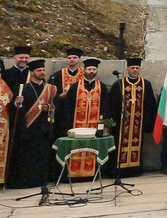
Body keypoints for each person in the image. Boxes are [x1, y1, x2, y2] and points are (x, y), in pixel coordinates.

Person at [6, 59, 57, 189]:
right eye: (39, 71)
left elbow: (55, 108)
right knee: (26, 157)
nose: (42, 73)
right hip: (27, 128)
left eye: (43, 70)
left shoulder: (50, 89)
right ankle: (24, 181)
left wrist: (49, 108)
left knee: (41, 156)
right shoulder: (23, 89)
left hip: (42, 128)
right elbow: (15, 110)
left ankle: (39, 180)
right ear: (32, 73)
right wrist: (18, 103)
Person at [109, 57, 157, 177]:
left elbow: (150, 104)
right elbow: (112, 103)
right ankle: (119, 170)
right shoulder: (119, 84)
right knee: (120, 145)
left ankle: (134, 169)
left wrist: (149, 122)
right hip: (122, 123)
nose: (135, 70)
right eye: (132, 68)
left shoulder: (146, 84)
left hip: (138, 122)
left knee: (137, 144)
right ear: (127, 69)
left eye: (137, 68)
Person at [65, 58, 109, 180]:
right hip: (77, 124)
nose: (92, 71)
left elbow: (106, 106)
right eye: (89, 69)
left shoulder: (102, 87)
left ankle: (92, 174)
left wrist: (104, 123)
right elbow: (68, 106)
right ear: (84, 71)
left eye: (94, 69)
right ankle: (75, 175)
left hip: (95, 125)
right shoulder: (75, 87)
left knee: (93, 148)